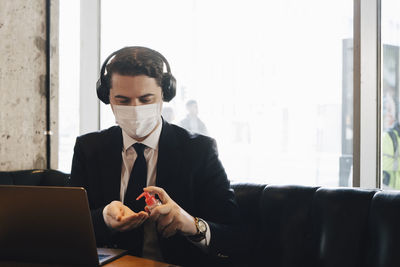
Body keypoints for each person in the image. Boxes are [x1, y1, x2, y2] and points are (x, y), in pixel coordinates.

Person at [70, 46, 240, 266]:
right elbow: (70, 225)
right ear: (107, 98)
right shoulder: (89, 148)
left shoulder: (199, 151)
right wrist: (103, 217)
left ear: (164, 95)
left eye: (145, 99)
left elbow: (233, 235)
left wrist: (190, 224)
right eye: (122, 101)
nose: (135, 109)